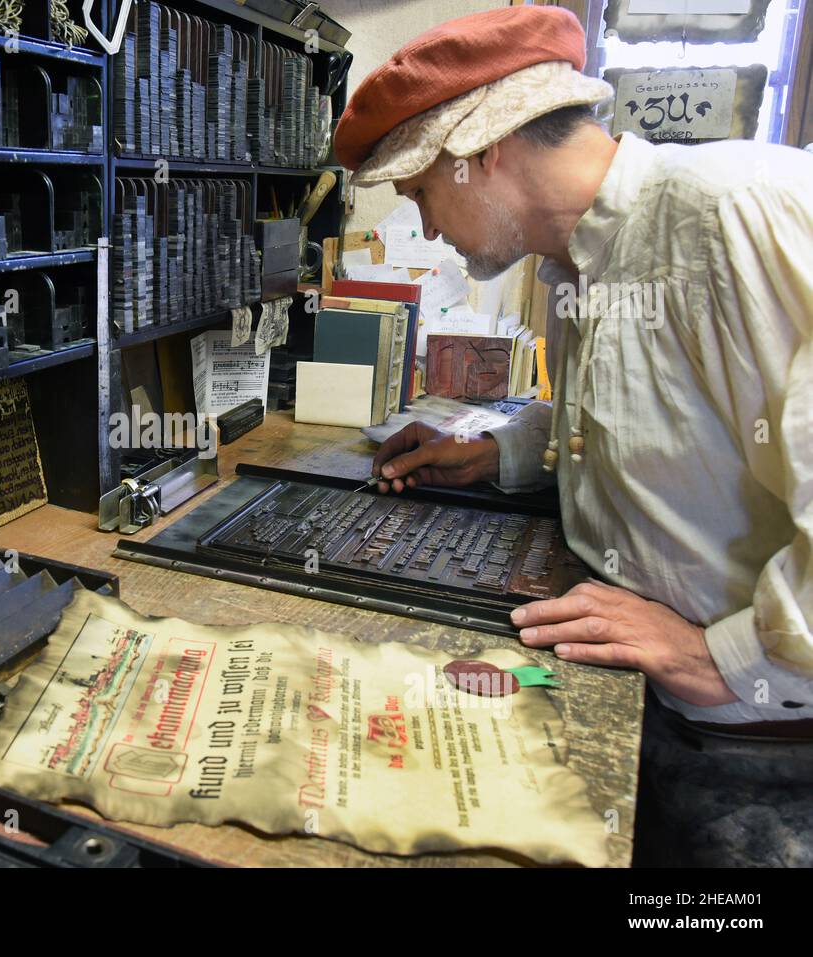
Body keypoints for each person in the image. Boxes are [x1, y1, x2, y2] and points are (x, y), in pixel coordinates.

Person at [334, 5, 813, 865]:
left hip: (768, 760)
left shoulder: (736, 212)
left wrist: (720, 656)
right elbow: (669, 423)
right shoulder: (576, 262)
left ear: (480, 150)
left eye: (419, 195)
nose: (429, 229)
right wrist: (503, 453)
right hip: (656, 712)